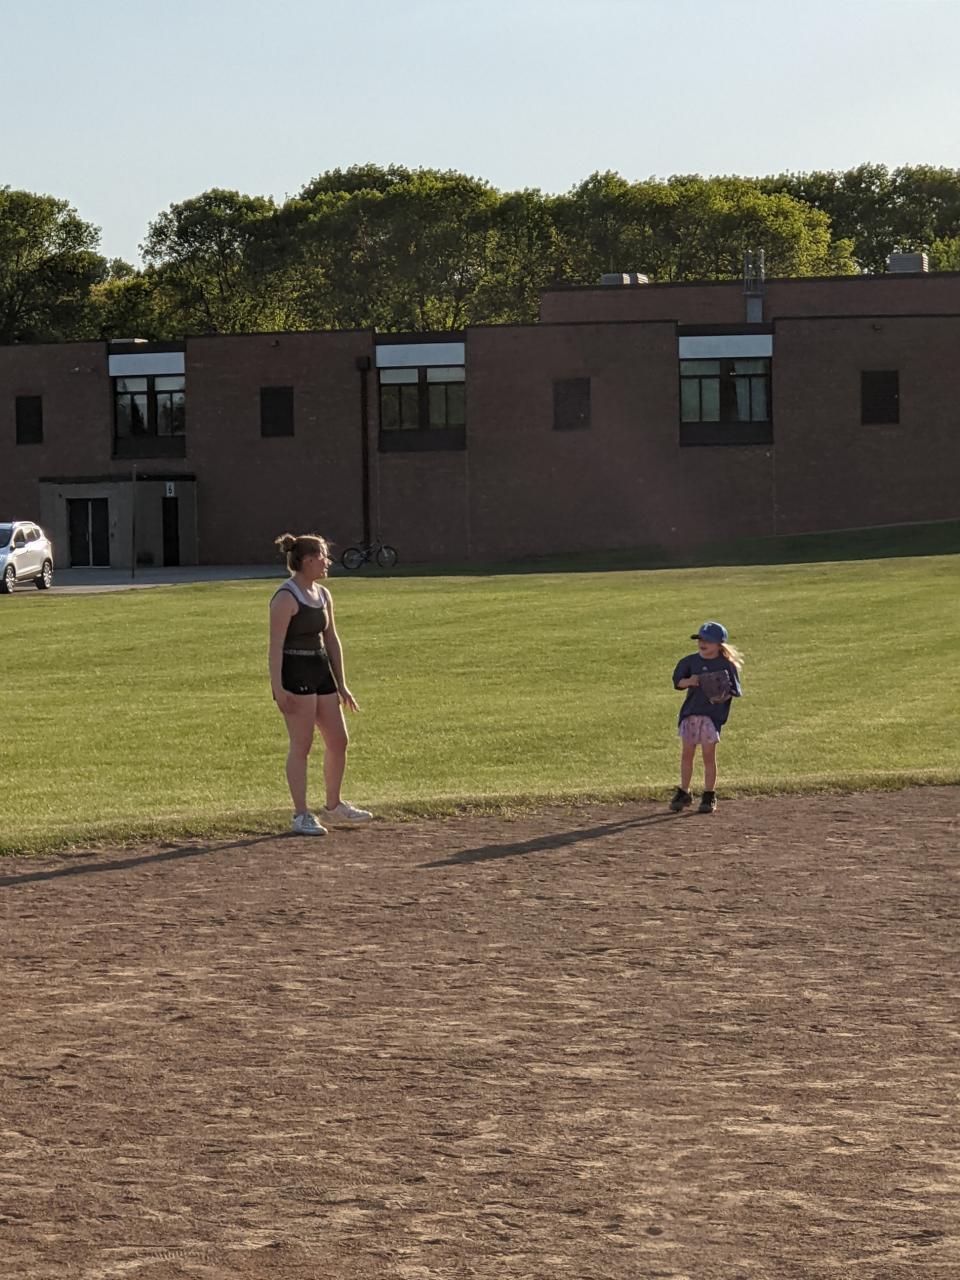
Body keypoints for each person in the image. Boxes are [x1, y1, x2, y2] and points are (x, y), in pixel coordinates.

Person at [269, 532, 372, 836]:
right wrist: (278, 688)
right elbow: (275, 647)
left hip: (320, 670)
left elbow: (331, 639)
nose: (328, 562)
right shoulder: (286, 597)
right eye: (324, 556)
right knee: (302, 745)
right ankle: (301, 815)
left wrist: (342, 683)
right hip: (296, 674)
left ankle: (333, 806)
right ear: (308, 560)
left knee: (338, 740)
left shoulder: (324, 594)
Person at [669, 621, 743, 815]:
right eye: (700, 639)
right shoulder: (690, 661)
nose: (702, 643)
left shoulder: (726, 665)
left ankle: (709, 794)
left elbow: (735, 690)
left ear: (719, 644)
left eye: (708, 641)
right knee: (687, 754)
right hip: (690, 714)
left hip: (711, 717)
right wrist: (690, 681)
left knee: (708, 756)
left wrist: (721, 693)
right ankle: (684, 792)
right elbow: (677, 682)